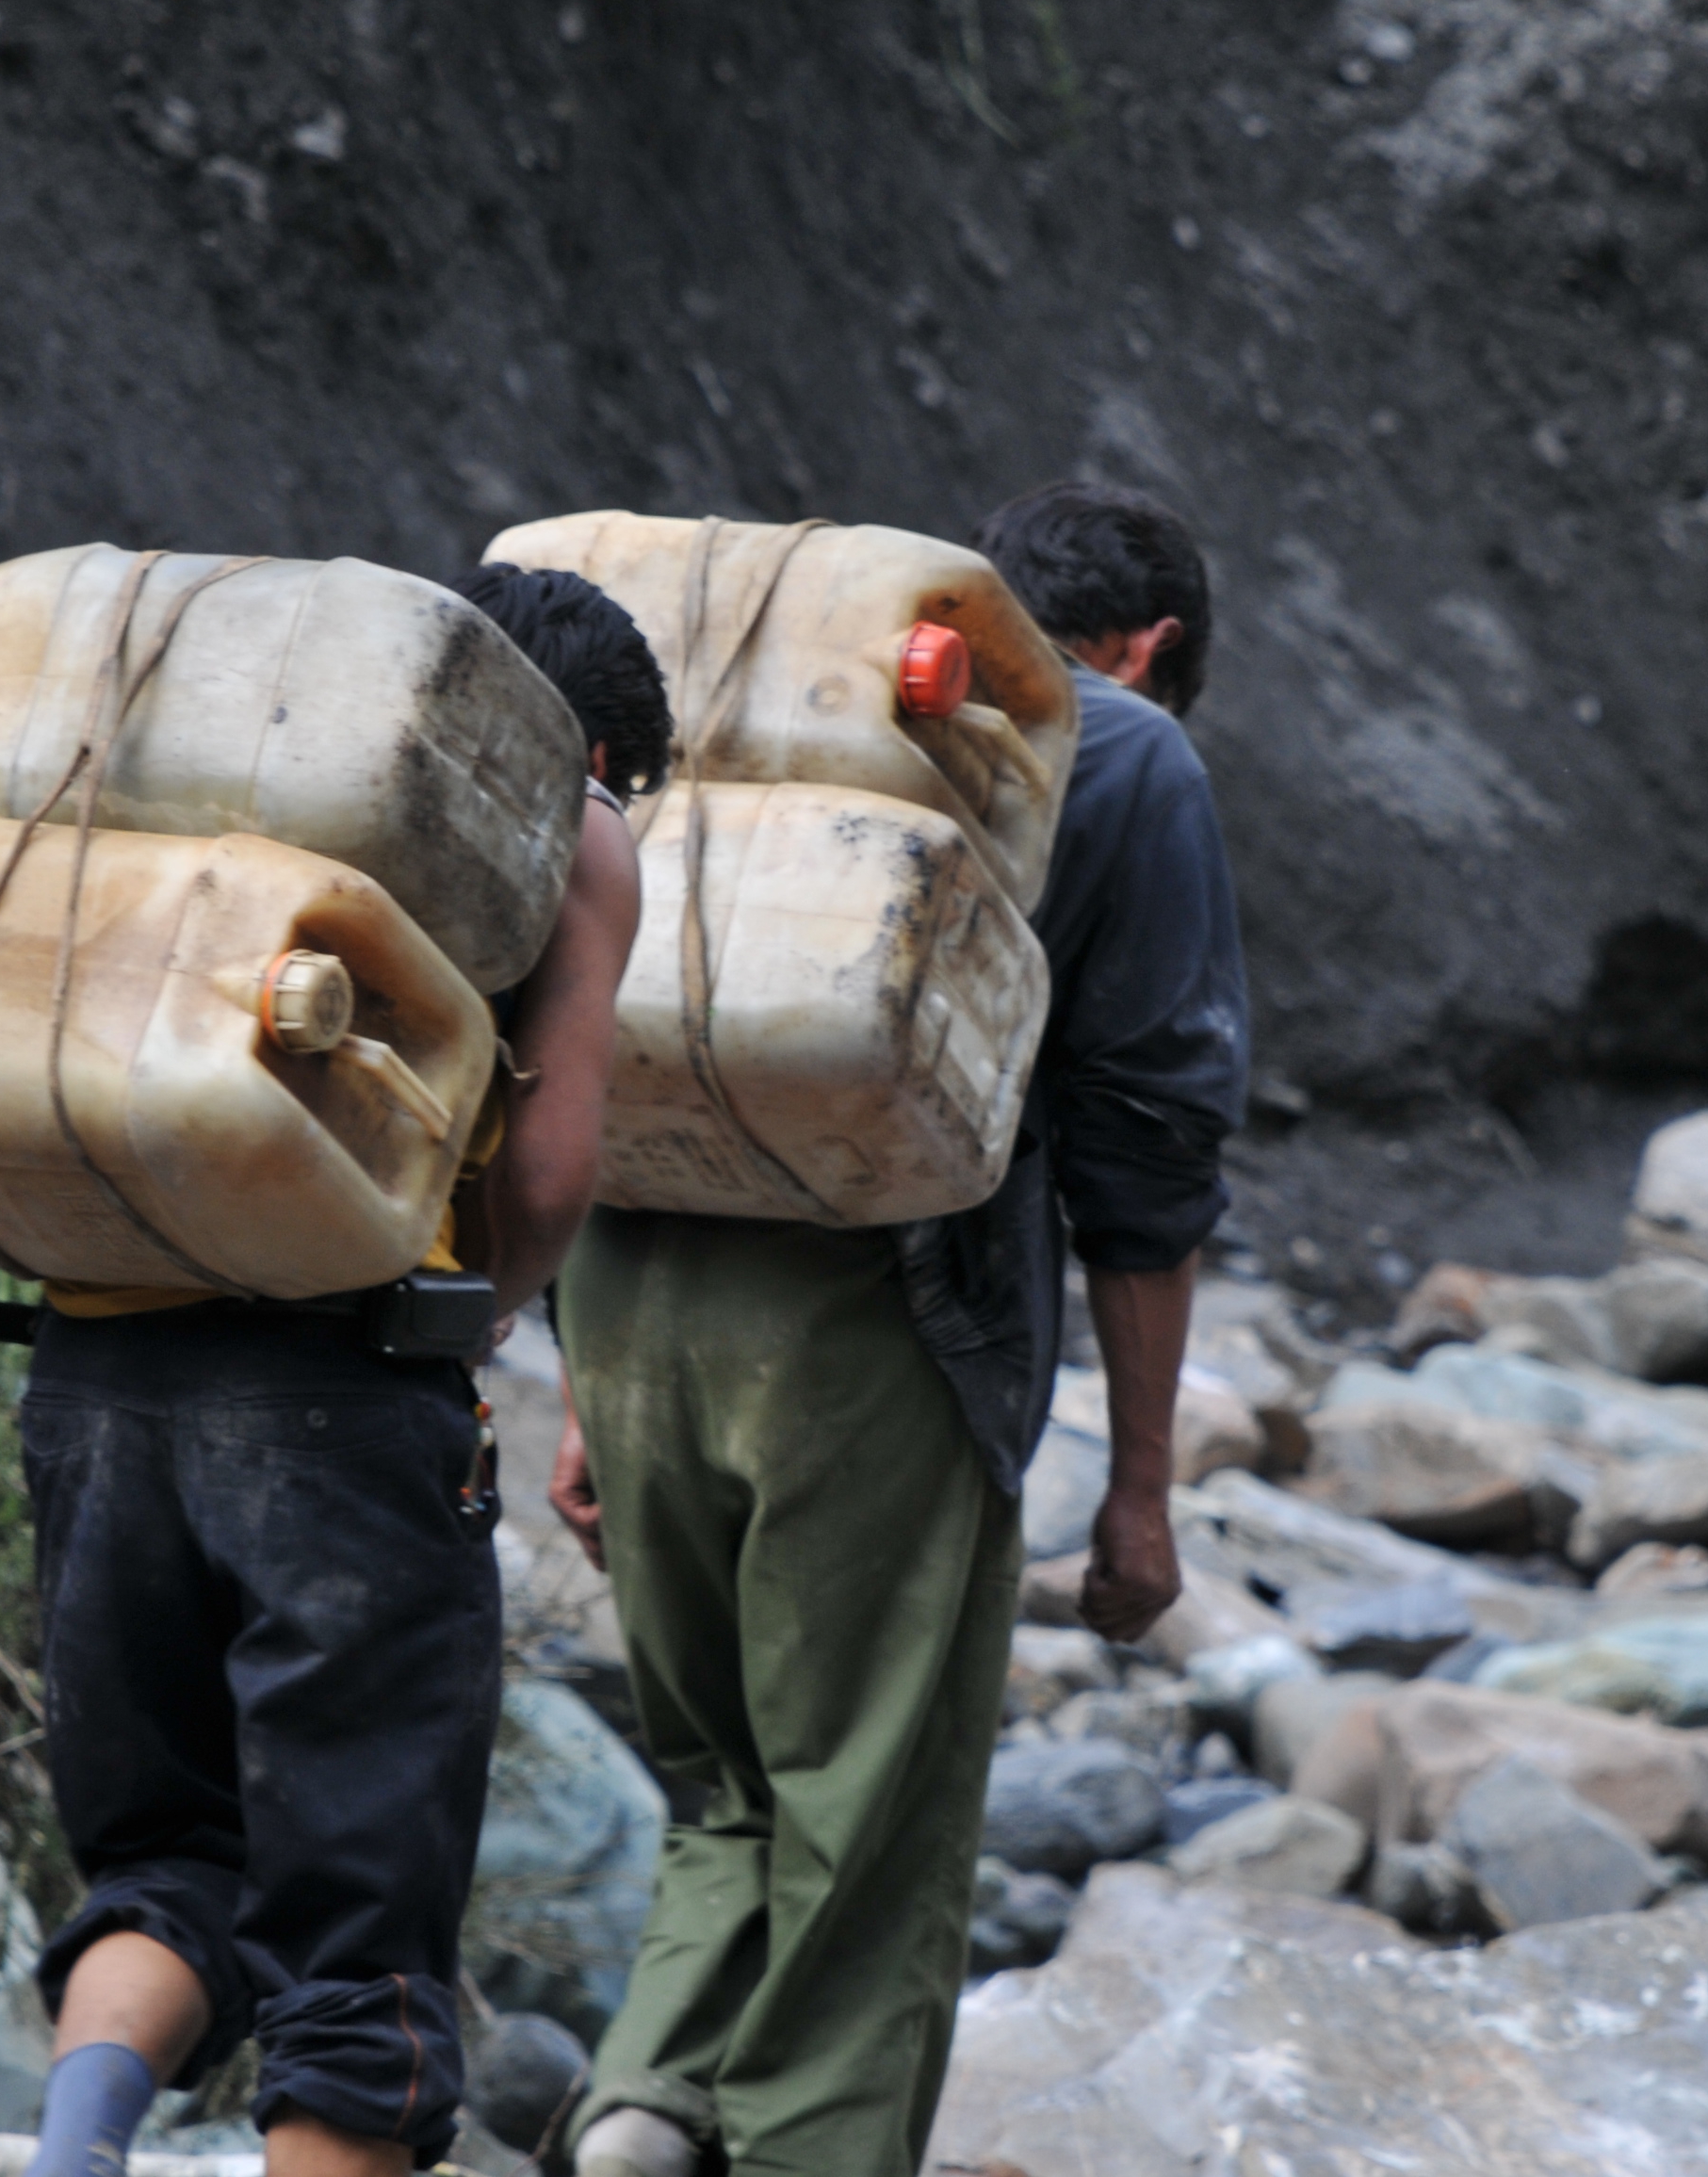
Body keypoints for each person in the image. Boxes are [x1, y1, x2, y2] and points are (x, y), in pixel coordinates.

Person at [549, 482, 1249, 2177]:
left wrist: (577, 1383)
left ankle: (644, 2111)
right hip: (882, 1331)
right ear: (1149, 649)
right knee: (868, 1825)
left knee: (724, 1788)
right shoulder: (1126, 751)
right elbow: (1146, 1151)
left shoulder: (775, 723)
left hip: (627, 1292)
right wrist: (1141, 1489)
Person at [17, 563, 659, 2177]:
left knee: (165, 1864)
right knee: (361, 1939)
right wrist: (481, 1307)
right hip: (340, 1393)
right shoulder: (567, 822)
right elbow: (556, 1172)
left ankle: (73, 2151)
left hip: (93, 1364)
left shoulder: (234, 759)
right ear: (591, 746)